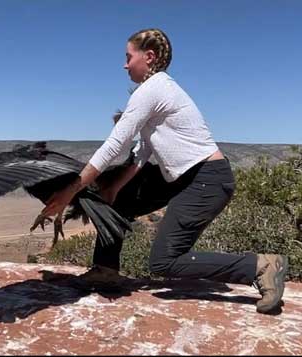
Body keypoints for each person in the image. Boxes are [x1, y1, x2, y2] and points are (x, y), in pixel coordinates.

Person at [40, 28, 288, 314]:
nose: (124, 64)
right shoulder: (159, 90)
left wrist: (70, 190)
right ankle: (106, 269)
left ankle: (259, 266)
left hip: (205, 180)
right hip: (198, 179)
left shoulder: (153, 89)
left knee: (164, 262)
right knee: (117, 204)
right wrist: (113, 188)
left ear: (149, 56)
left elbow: (114, 146)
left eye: (128, 57)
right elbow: (142, 152)